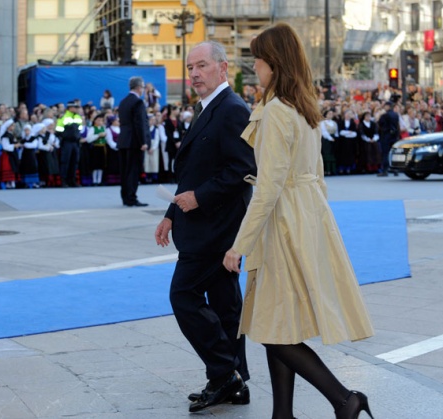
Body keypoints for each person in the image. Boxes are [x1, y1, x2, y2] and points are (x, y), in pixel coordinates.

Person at [221, 23, 375, 419]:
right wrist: (317, 225)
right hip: (306, 217)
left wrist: (240, 245)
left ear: (274, 61)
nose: (253, 65)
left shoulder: (275, 112)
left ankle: (344, 399)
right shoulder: (303, 108)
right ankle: (283, 414)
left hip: (283, 224)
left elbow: (268, 188)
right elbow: (318, 178)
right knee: (279, 324)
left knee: (274, 327)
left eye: (257, 57)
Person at [154, 41, 257, 413]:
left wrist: (199, 198)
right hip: (203, 224)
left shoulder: (231, 109)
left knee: (183, 295)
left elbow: (243, 170)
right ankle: (234, 380)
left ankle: (223, 372)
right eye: (190, 67)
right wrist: (171, 212)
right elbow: (192, 171)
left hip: (216, 228)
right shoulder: (206, 109)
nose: (194, 73)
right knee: (227, 306)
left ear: (222, 68)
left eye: (201, 66)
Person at [117, 76, 150, 206]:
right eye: (142, 87)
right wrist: (143, 141)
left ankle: (125, 197)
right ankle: (131, 198)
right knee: (133, 170)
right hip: (134, 141)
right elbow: (140, 123)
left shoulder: (123, 101)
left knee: (125, 171)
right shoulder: (138, 102)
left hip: (123, 140)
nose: (143, 90)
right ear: (138, 87)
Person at [56, 101, 83, 187]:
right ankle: (64, 180)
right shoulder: (64, 117)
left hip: (75, 142)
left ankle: (72, 180)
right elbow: (58, 130)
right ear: (70, 108)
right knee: (65, 161)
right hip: (67, 142)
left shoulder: (78, 117)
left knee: (74, 162)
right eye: (75, 107)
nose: (76, 109)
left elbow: (80, 129)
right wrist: (65, 136)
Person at [377, 100, 400, 176]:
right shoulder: (396, 115)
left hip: (386, 135)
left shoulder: (385, 115)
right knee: (393, 153)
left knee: (385, 153)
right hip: (394, 136)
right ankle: (395, 169)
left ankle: (385, 170)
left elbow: (380, 124)